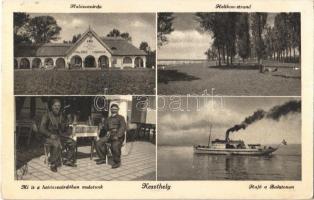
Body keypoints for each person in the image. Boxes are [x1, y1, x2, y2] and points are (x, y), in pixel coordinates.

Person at [39, 98, 77, 172]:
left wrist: (69, 125)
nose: (57, 107)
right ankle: (53, 164)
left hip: (58, 136)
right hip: (48, 137)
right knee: (56, 144)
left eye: (59, 106)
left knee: (72, 142)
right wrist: (50, 135)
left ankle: (68, 160)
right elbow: (41, 129)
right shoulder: (47, 115)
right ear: (52, 106)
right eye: (55, 105)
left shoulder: (61, 115)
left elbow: (63, 128)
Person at [95, 103, 126, 168]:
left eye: (115, 109)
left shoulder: (121, 118)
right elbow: (105, 128)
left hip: (118, 135)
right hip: (109, 135)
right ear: (110, 109)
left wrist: (117, 135)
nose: (114, 110)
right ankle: (102, 158)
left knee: (114, 145)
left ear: (118, 110)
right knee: (98, 143)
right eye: (112, 109)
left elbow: (123, 127)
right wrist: (101, 127)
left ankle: (117, 162)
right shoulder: (108, 119)